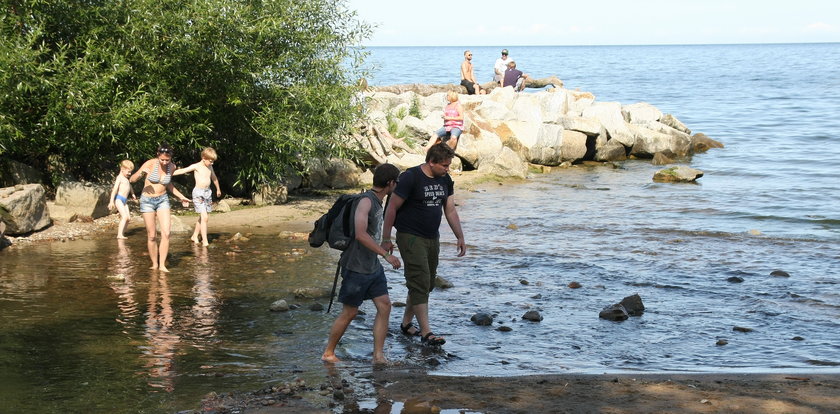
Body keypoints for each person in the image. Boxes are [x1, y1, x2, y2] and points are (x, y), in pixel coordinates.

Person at [381, 144, 466, 346]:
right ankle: (426, 333)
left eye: (448, 165)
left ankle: (406, 323)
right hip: (410, 236)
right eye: (444, 165)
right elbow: (392, 207)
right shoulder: (411, 177)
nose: (447, 169)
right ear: (431, 162)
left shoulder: (445, 179)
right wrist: (386, 238)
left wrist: (460, 236)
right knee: (419, 280)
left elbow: (450, 210)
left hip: (431, 237)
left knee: (426, 284)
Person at [322, 163, 402, 364]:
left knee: (384, 306)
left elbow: (371, 233)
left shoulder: (378, 201)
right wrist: (385, 255)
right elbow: (360, 234)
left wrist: (383, 242)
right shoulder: (366, 201)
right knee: (350, 312)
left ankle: (378, 356)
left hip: (372, 266)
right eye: (396, 182)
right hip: (356, 267)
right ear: (390, 183)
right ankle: (329, 353)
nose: (397, 186)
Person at [130, 143, 191, 272]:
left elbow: (168, 185)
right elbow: (132, 179)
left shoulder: (172, 167)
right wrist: (141, 173)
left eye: (167, 160)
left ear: (171, 158)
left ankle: (162, 265)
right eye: (162, 159)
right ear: (158, 155)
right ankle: (154, 264)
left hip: (163, 200)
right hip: (147, 201)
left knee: (166, 233)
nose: (164, 162)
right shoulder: (150, 163)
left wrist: (181, 197)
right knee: (152, 235)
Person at [173, 147, 222, 246]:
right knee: (205, 217)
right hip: (198, 193)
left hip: (207, 192)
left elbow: (214, 178)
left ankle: (195, 235)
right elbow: (183, 170)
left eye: (213, 162)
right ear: (204, 158)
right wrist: (168, 173)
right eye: (210, 161)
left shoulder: (210, 167)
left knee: (203, 217)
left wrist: (218, 189)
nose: (212, 163)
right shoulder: (196, 166)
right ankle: (205, 241)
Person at [108, 159, 137, 239]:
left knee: (128, 218)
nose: (130, 173)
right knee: (124, 217)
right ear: (122, 169)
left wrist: (133, 193)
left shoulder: (126, 178)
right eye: (128, 172)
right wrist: (111, 202)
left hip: (124, 201)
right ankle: (119, 235)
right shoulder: (119, 178)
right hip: (119, 199)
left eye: (131, 172)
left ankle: (122, 233)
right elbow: (114, 190)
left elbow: (130, 186)